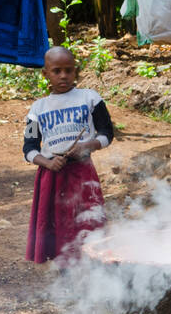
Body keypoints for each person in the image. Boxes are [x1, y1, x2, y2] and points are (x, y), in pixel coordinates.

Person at [23, 46, 116, 263]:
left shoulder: (90, 98)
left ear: (76, 71)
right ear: (45, 74)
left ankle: (93, 263)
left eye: (68, 70)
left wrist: (88, 146)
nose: (63, 76)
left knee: (87, 218)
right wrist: (47, 162)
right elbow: (29, 148)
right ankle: (63, 265)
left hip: (82, 171)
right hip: (51, 174)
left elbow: (107, 134)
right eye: (56, 71)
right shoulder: (37, 109)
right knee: (55, 221)